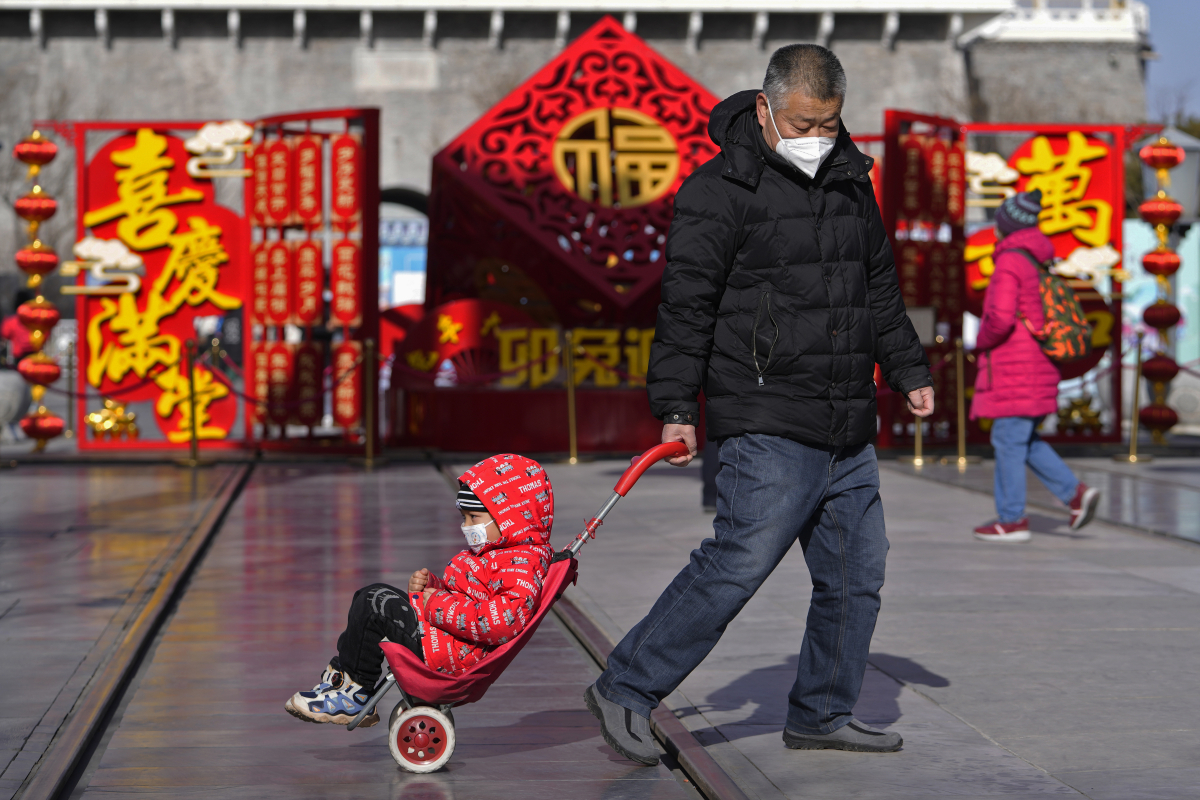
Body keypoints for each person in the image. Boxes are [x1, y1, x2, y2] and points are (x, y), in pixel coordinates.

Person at [584, 44, 934, 764]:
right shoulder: (718, 190)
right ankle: (625, 686)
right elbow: (686, 307)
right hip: (766, 413)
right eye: (804, 123)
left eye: (830, 124)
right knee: (738, 561)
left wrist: (907, 367)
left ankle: (822, 712)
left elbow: (879, 287)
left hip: (846, 420)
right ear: (766, 108)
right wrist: (677, 405)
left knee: (855, 574)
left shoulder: (850, 180)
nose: (818, 138)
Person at [286, 454, 554, 726]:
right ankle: (346, 681)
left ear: (510, 516)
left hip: (448, 652)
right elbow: (471, 597)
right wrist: (433, 588)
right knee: (370, 596)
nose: (467, 526)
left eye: (475, 517)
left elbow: (501, 621)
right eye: (464, 517)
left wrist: (436, 604)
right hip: (444, 637)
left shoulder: (520, 565)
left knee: (374, 603)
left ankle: (355, 693)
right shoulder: (496, 553)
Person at [970, 190, 1101, 542]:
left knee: (1008, 439)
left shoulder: (1010, 261)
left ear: (1006, 226)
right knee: (1022, 438)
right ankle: (1076, 495)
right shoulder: (1036, 260)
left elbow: (999, 318)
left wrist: (978, 344)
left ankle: (1012, 520)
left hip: (1016, 366)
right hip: (1037, 363)